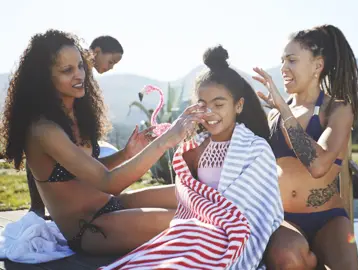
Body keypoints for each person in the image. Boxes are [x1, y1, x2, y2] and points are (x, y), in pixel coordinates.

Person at [0, 29, 207, 255]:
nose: (79, 75)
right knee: (196, 225)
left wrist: (126, 153)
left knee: (202, 196)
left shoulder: (73, 114)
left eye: (80, 66)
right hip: (90, 228)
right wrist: (167, 139)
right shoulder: (44, 130)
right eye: (67, 70)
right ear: (44, 78)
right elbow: (108, 182)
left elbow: (88, 172)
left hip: (114, 204)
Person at [99, 45, 283, 270]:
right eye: (203, 105)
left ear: (239, 105)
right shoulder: (194, 148)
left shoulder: (256, 148)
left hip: (228, 234)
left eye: (219, 104)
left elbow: (259, 208)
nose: (210, 112)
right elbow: (188, 197)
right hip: (194, 230)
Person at [254, 24, 358, 269]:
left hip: (328, 218)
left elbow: (318, 164)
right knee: (288, 258)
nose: (283, 68)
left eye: (291, 60)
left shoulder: (337, 109)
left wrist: (283, 109)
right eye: (282, 61)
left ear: (317, 65)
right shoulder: (274, 114)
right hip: (283, 219)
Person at [26, 34, 124, 219]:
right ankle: (37, 207)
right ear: (96, 52)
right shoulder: (44, 125)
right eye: (110, 61)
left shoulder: (82, 77)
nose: (110, 67)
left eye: (114, 65)